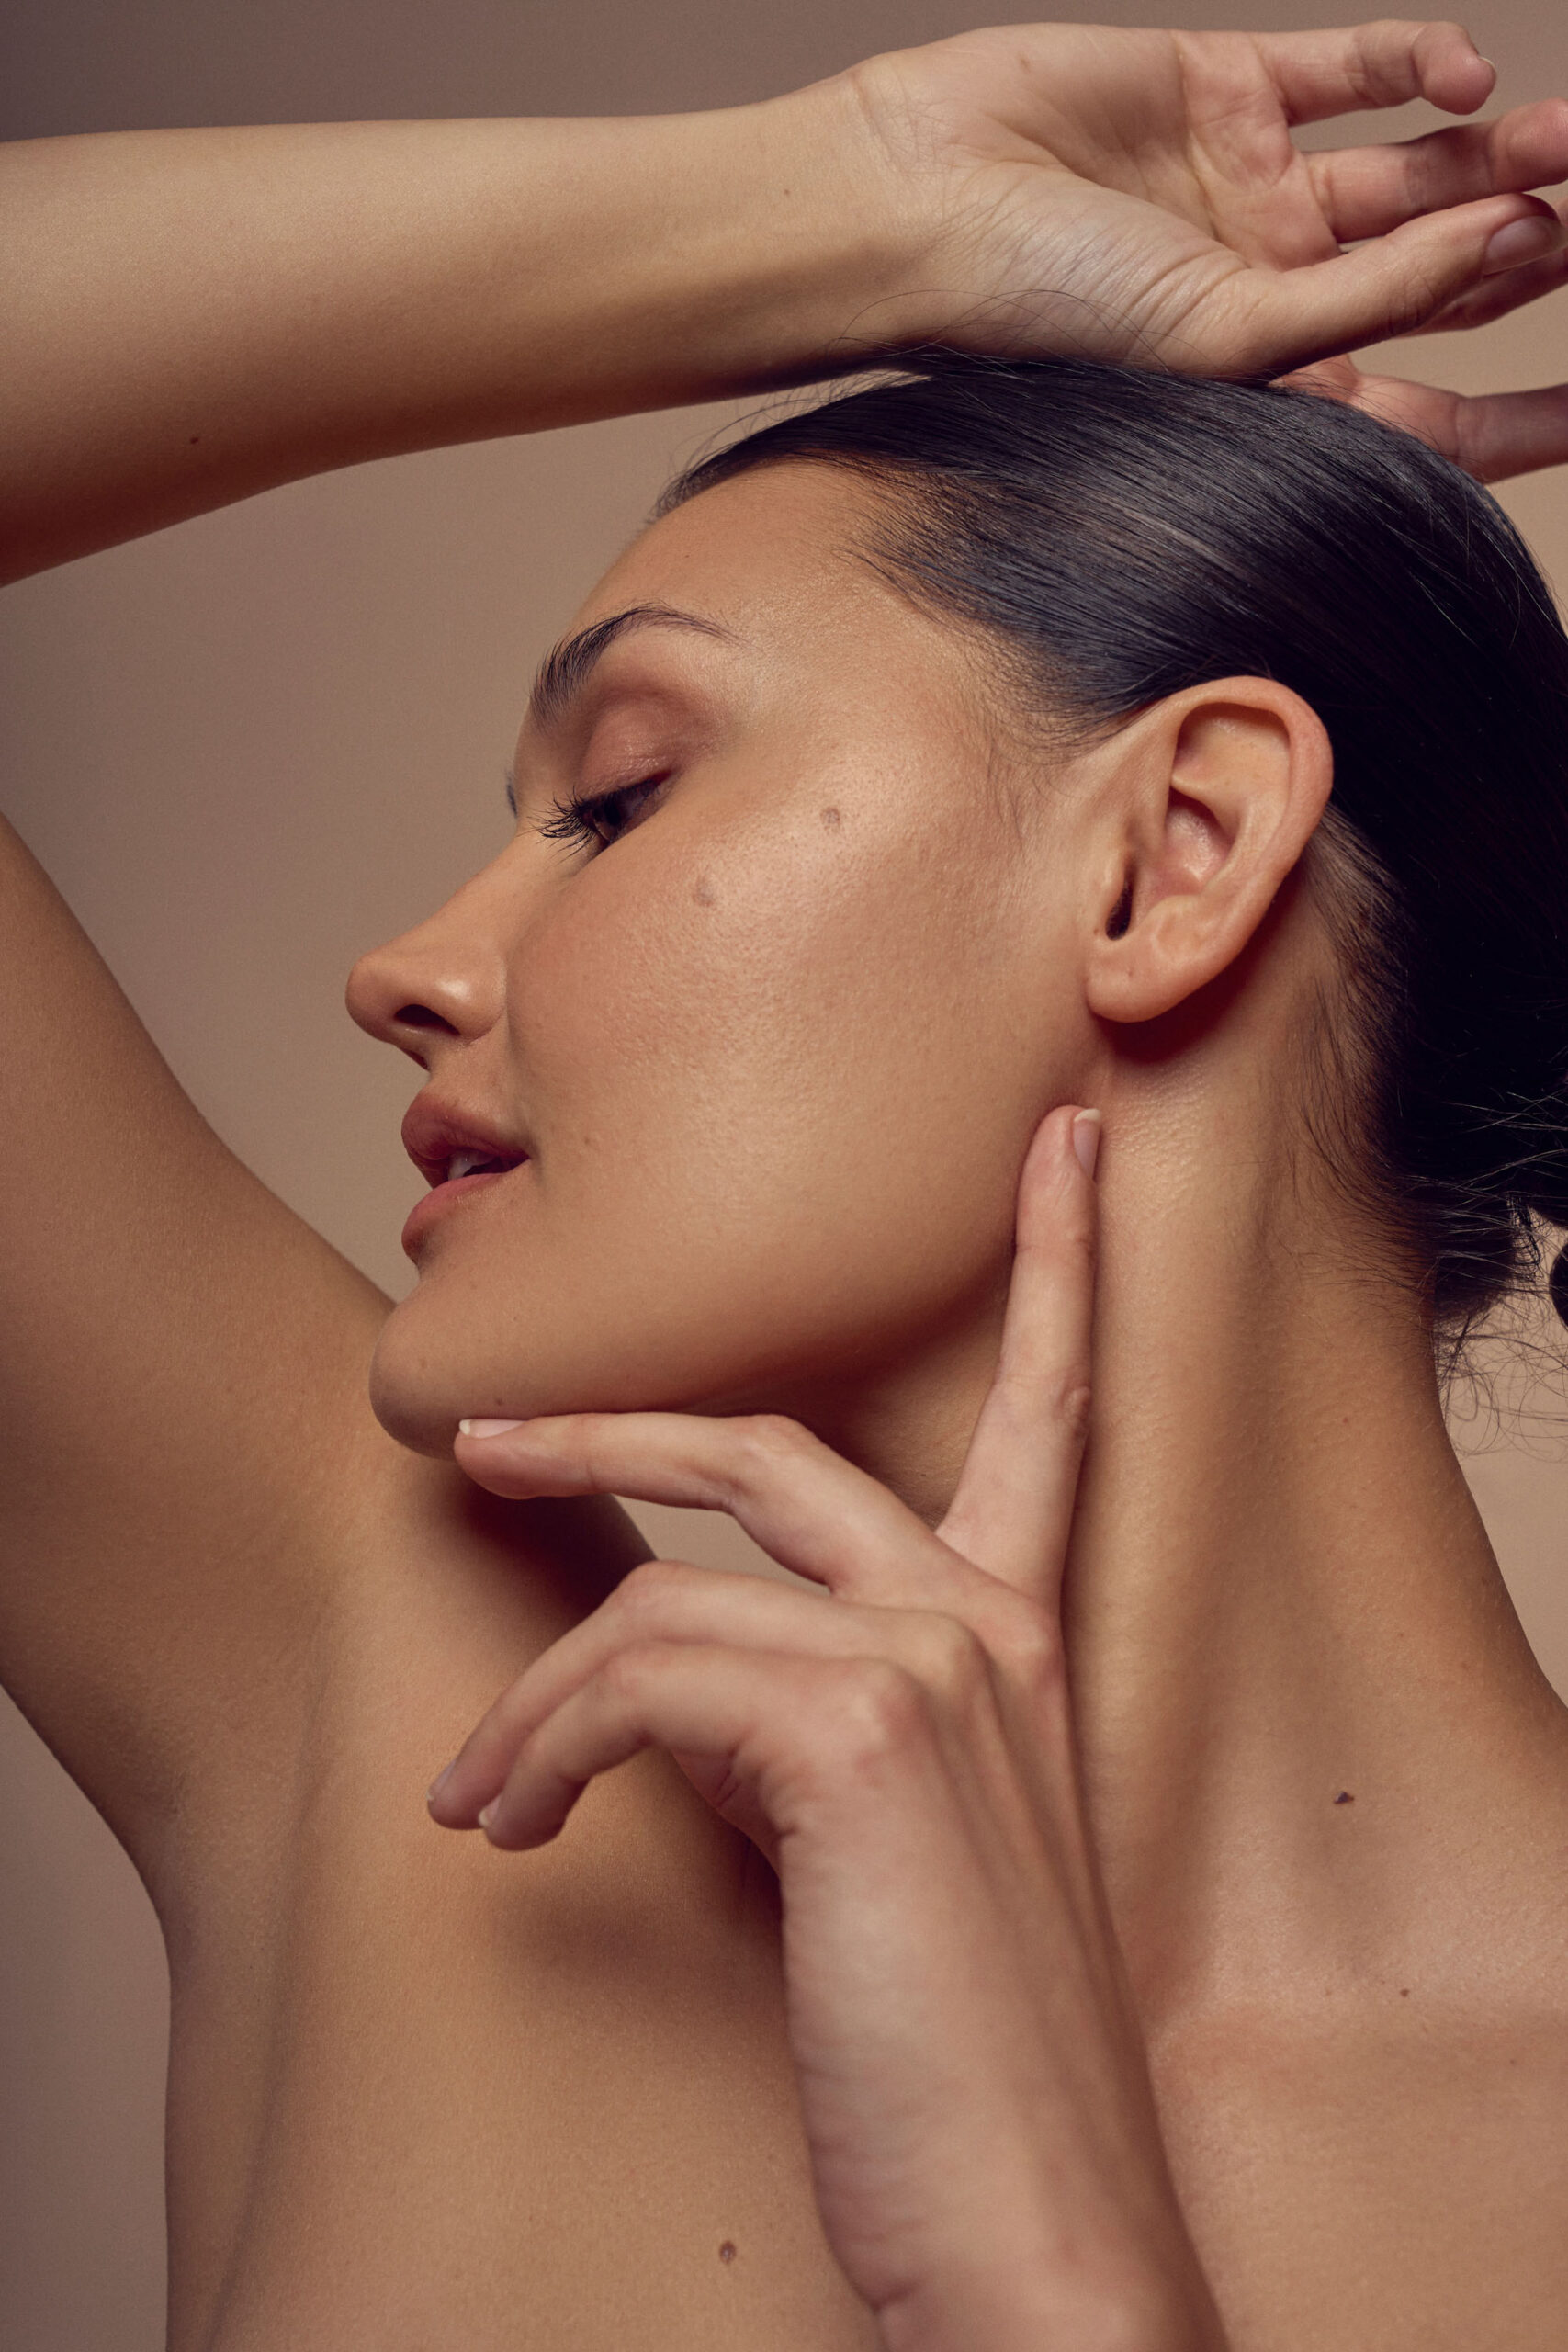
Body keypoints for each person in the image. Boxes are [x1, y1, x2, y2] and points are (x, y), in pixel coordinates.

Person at [4, 19, 1568, 2348]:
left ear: (1175, 852)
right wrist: (832, 199)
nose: (403, 967)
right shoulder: (436, 1758)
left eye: (621, 796)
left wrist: (1058, 2287)